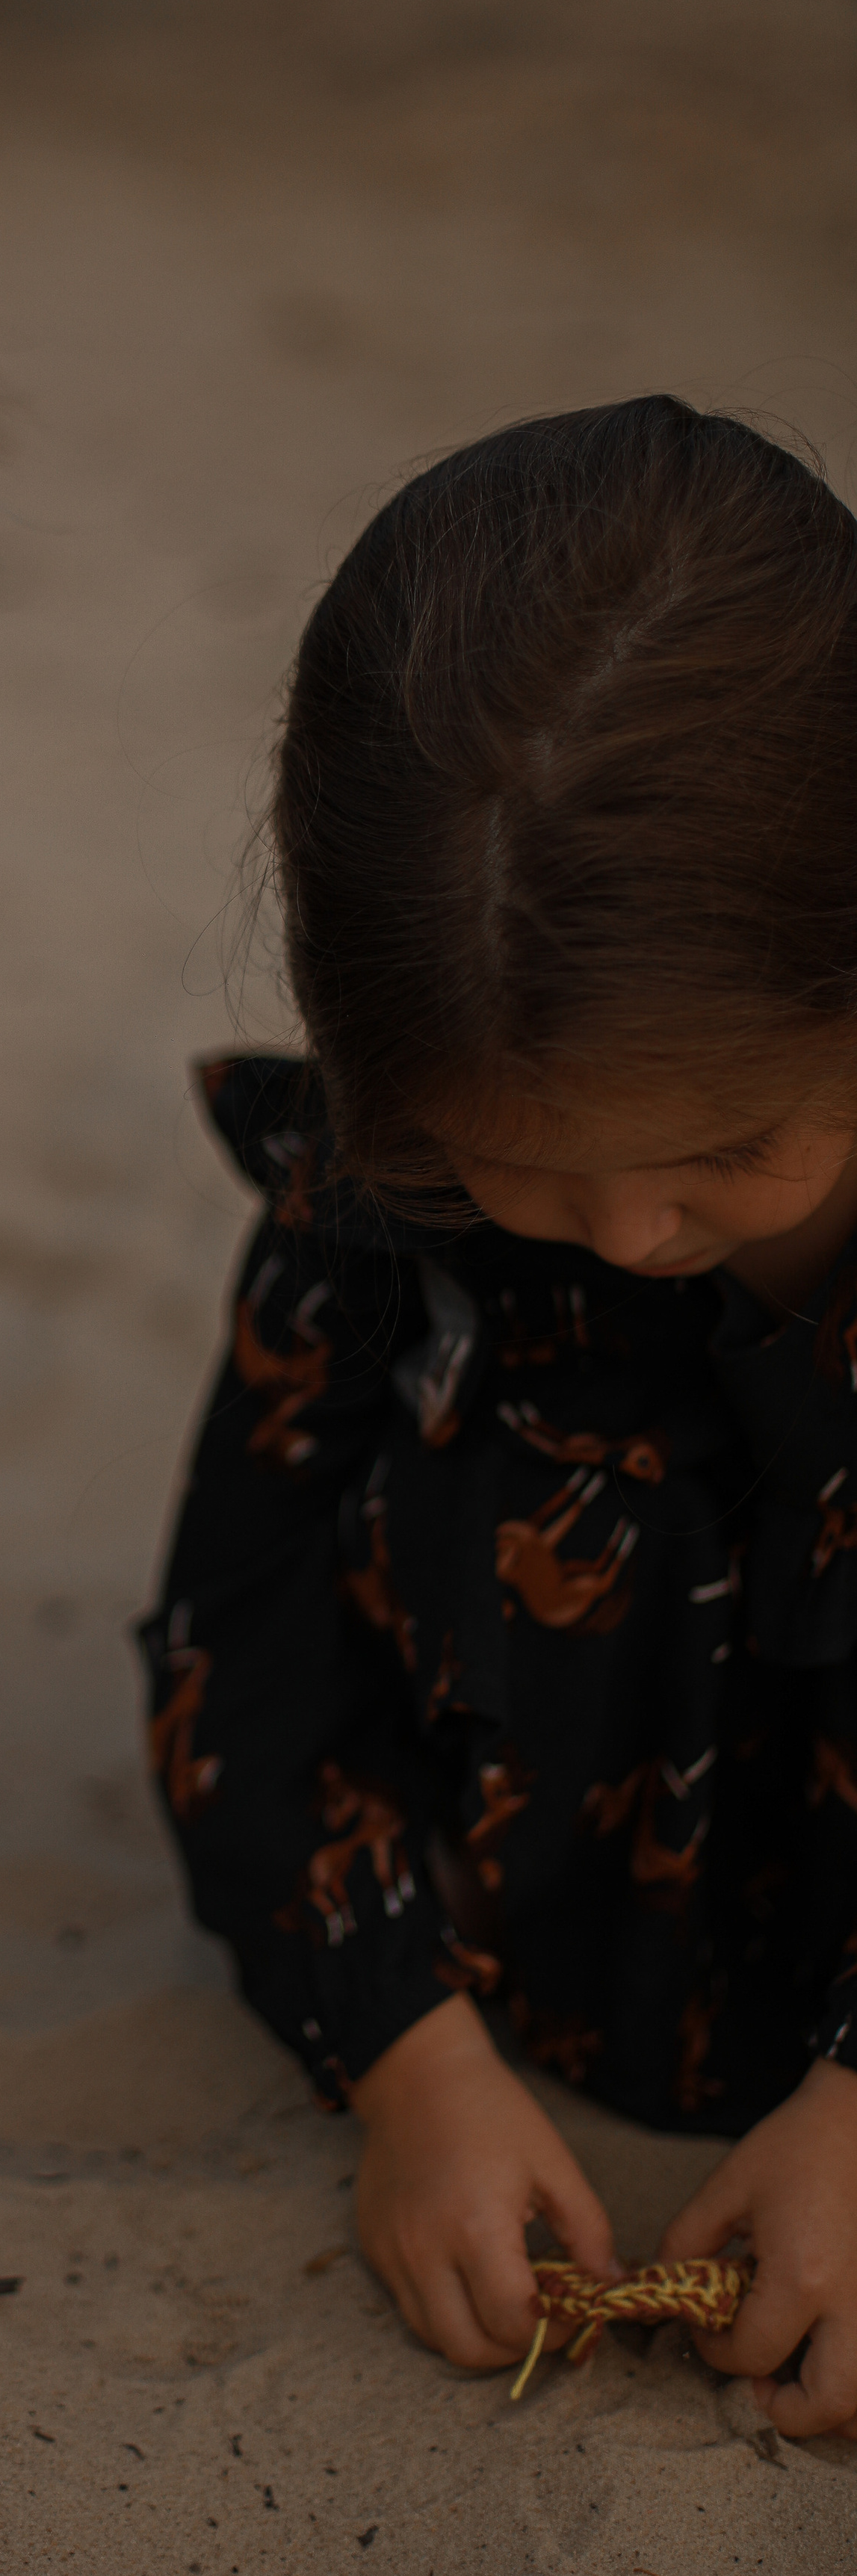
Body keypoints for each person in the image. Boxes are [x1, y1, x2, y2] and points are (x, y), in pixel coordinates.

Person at [141, 397, 857, 2441]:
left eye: (729, 1148)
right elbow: (240, 1655)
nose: (633, 1237)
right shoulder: (385, 1201)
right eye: (521, 1170)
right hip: (509, 1948)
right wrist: (409, 2066)